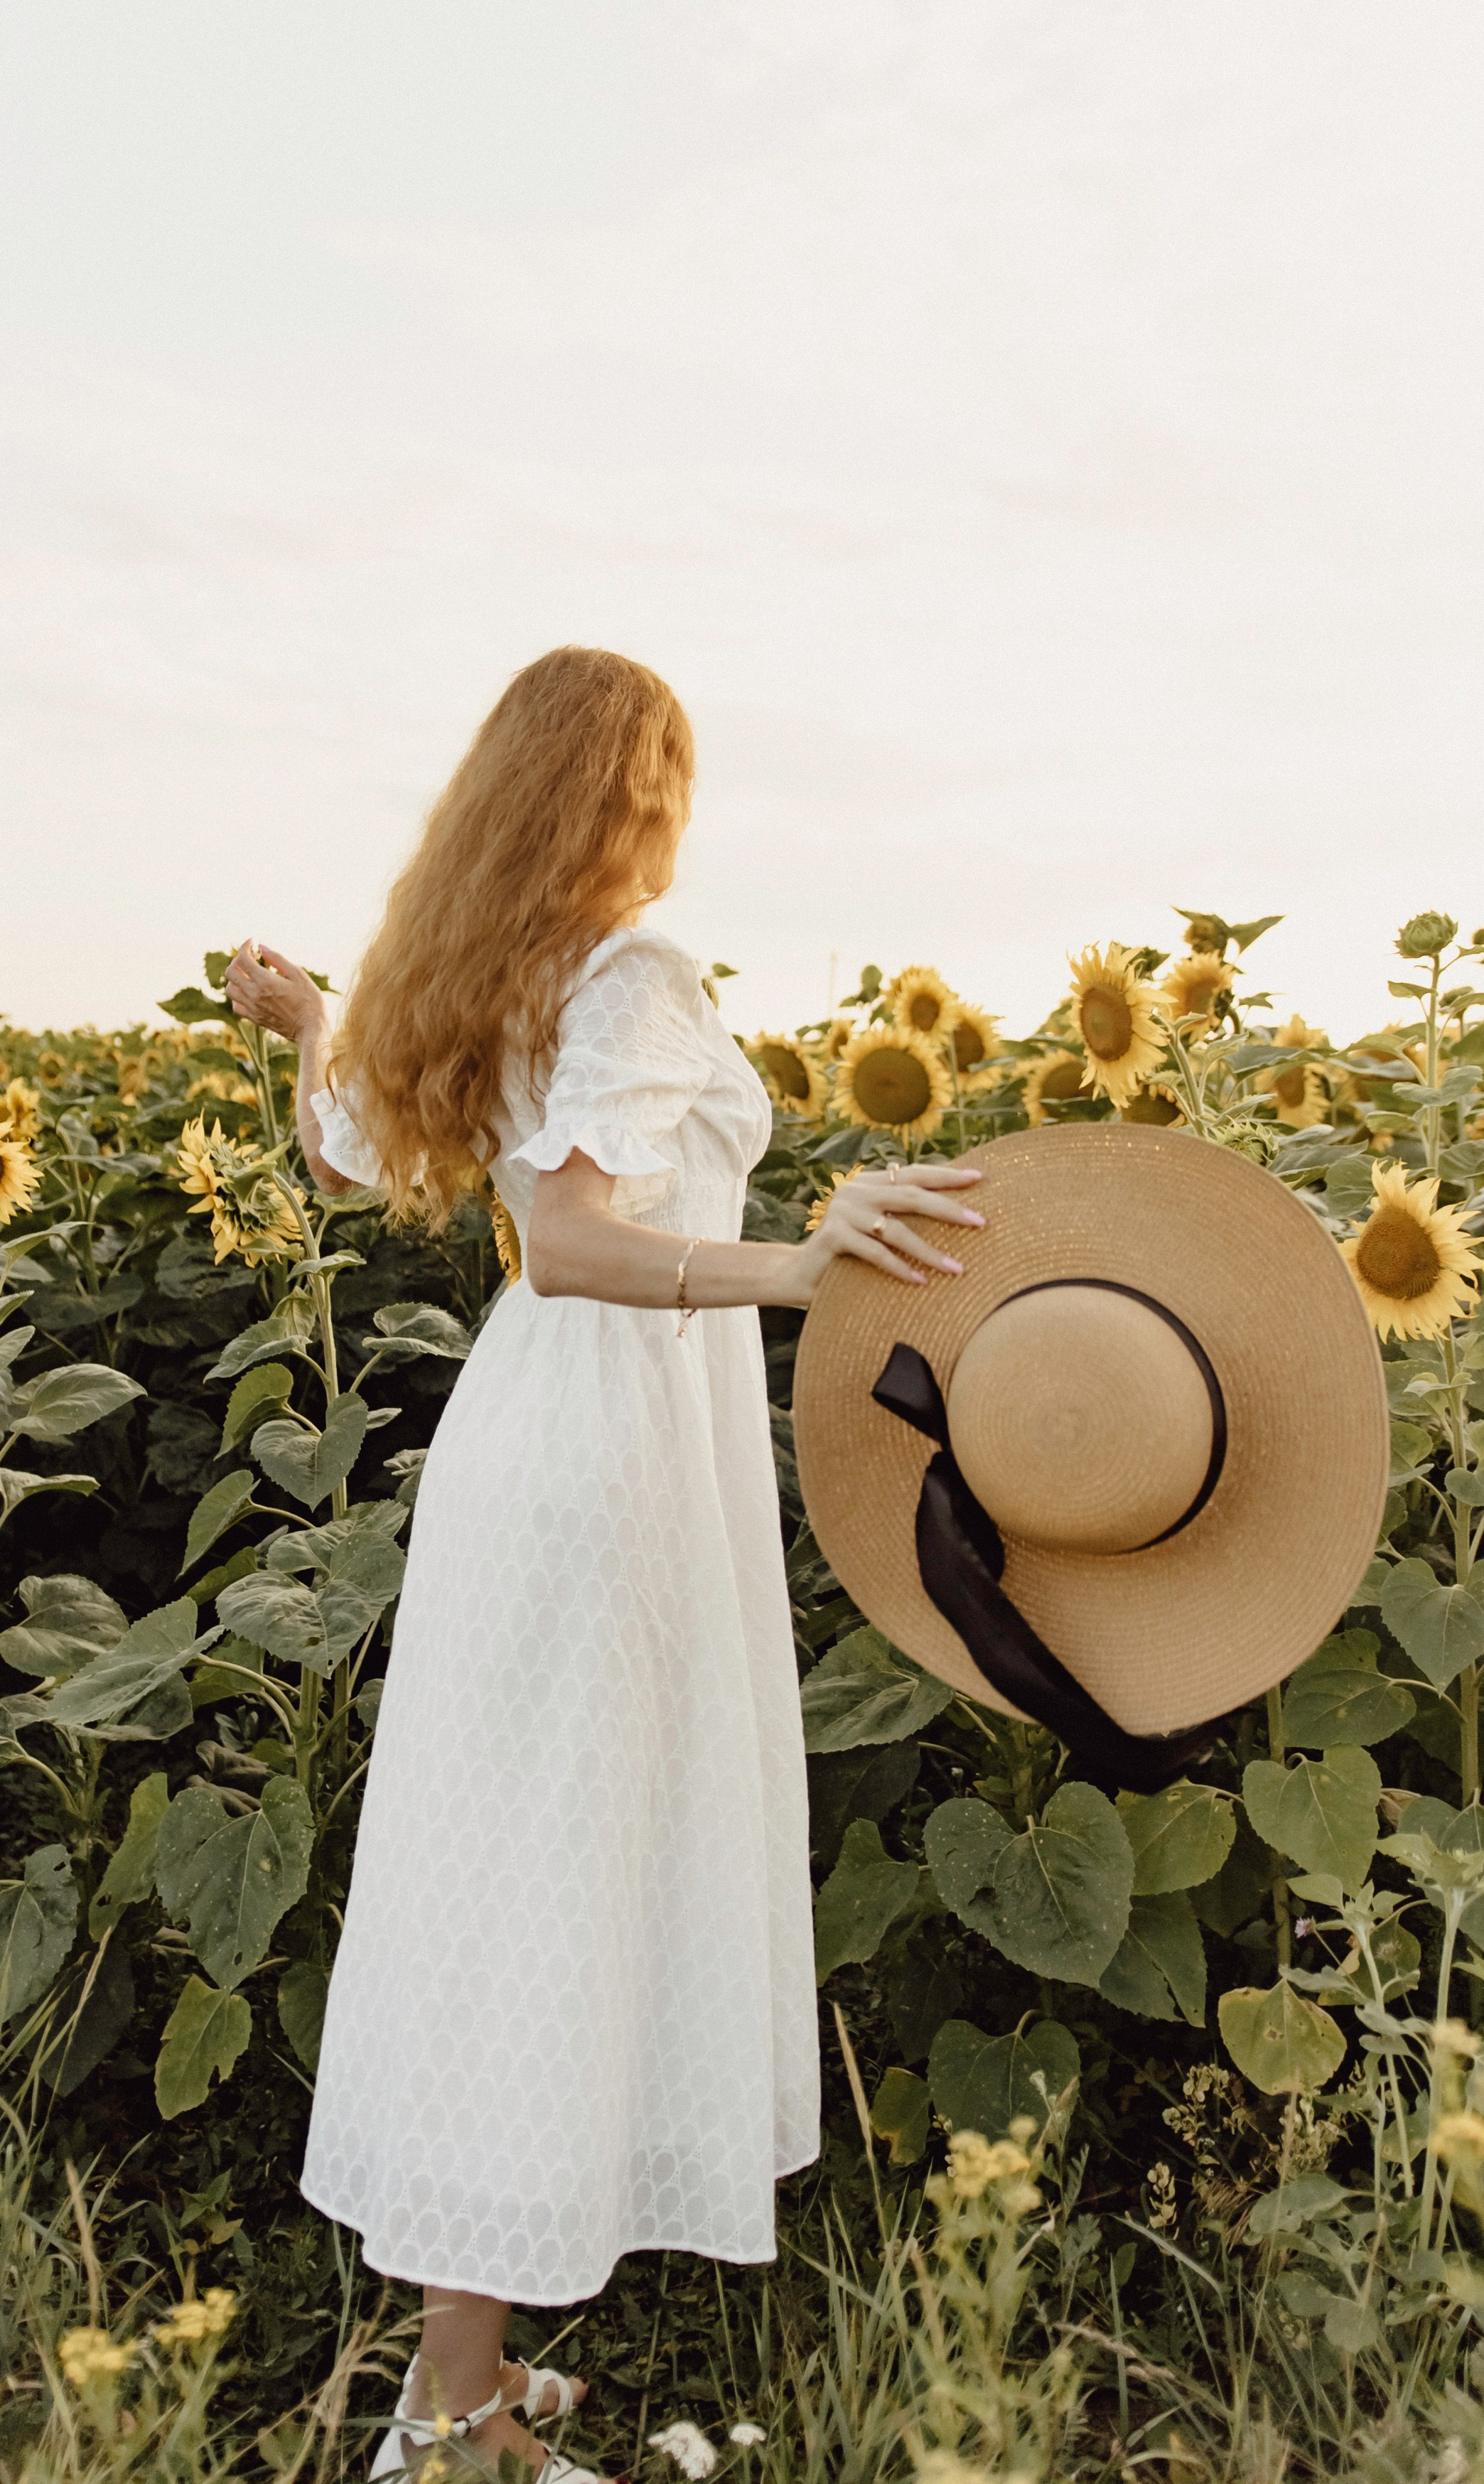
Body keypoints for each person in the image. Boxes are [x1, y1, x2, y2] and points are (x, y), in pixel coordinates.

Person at [225, 645, 983, 2480]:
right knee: (550, 1885)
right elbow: (575, 1242)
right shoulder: (629, 968)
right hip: (615, 1439)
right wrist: (809, 1266)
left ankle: (455, 2369)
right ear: (642, 791)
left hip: (538, 1439)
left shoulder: (470, 967)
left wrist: (308, 1015)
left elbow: (343, 1149)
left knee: (515, 1873)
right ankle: (449, 2420)